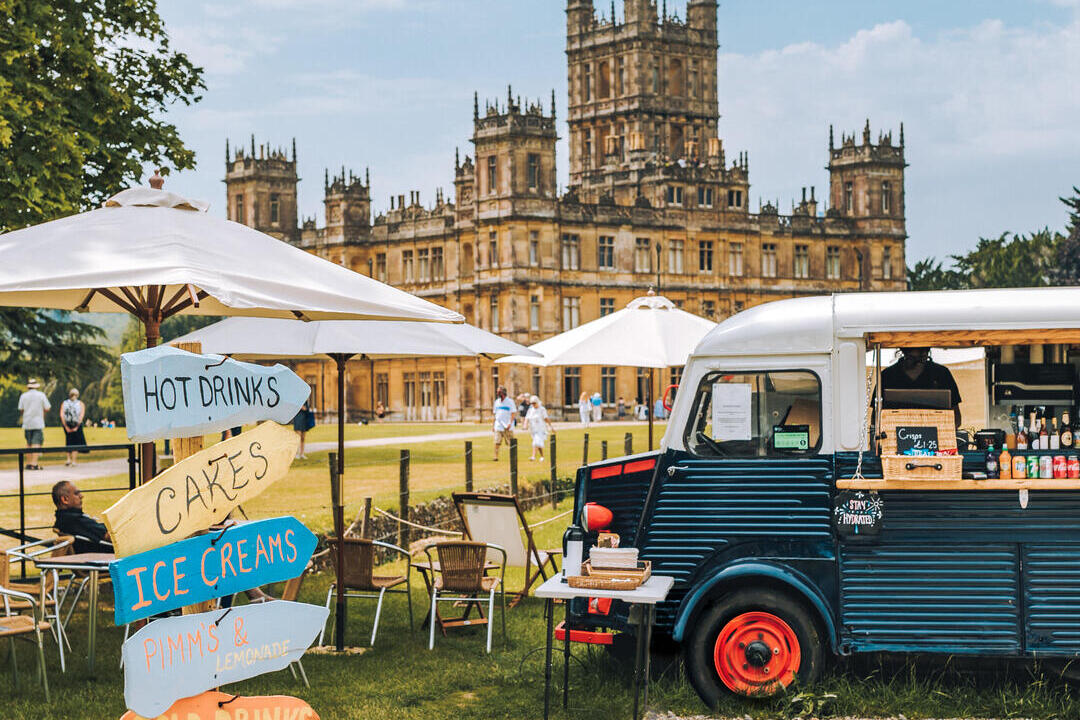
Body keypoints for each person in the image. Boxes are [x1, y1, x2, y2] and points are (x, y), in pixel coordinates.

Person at [880, 347, 962, 427]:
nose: (918, 362)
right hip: (896, 433)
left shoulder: (942, 373)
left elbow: (956, 419)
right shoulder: (887, 375)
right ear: (904, 351)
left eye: (922, 357)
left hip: (935, 433)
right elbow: (876, 418)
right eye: (912, 358)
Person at [52, 481, 112, 554]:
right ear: (65, 499)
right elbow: (110, 536)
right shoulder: (75, 521)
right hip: (109, 555)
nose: (81, 496)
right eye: (76, 493)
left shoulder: (62, 519)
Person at [18, 378, 50, 470]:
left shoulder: (23, 396)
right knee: (36, 443)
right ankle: (34, 463)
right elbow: (47, 408)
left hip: (27, 422)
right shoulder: (41, 395)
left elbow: (21, 409)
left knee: (28, 443)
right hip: (38, 422)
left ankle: (28, 463)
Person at [61, 388, 87, 466]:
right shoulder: (80, 403)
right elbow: (81, 416)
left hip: (67, 424)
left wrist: (65, 426)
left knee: (68, 441)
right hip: (76, 424)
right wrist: (77, 427)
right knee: (75, 443)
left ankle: (68, 459)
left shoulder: (64, 403)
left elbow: (62, 415)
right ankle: (74, 460)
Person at [524, 395, 554, 461]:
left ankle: (533, 456)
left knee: (536, 442)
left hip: (541, 429)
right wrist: (525, 425)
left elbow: (546, 418)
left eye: (534, 403)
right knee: (538, 443)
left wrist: (551, 427)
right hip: (533, 430)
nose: (533, 405)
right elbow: (527, 418)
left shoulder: (542, 409)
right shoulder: (530, 410)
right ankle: (542, 456)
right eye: (532, 403)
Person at [492, 386, 516, 461]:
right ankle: (496, 457)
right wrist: (493, 425)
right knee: (497, 441)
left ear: (503, 392)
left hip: (507, 425)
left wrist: (510, 423)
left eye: (499, 392)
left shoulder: (510, 402)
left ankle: (513, 457)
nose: (497, 393)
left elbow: (513, 413)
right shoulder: (497, 402)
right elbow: (495, 414)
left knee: (510, 442)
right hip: (498, 425)